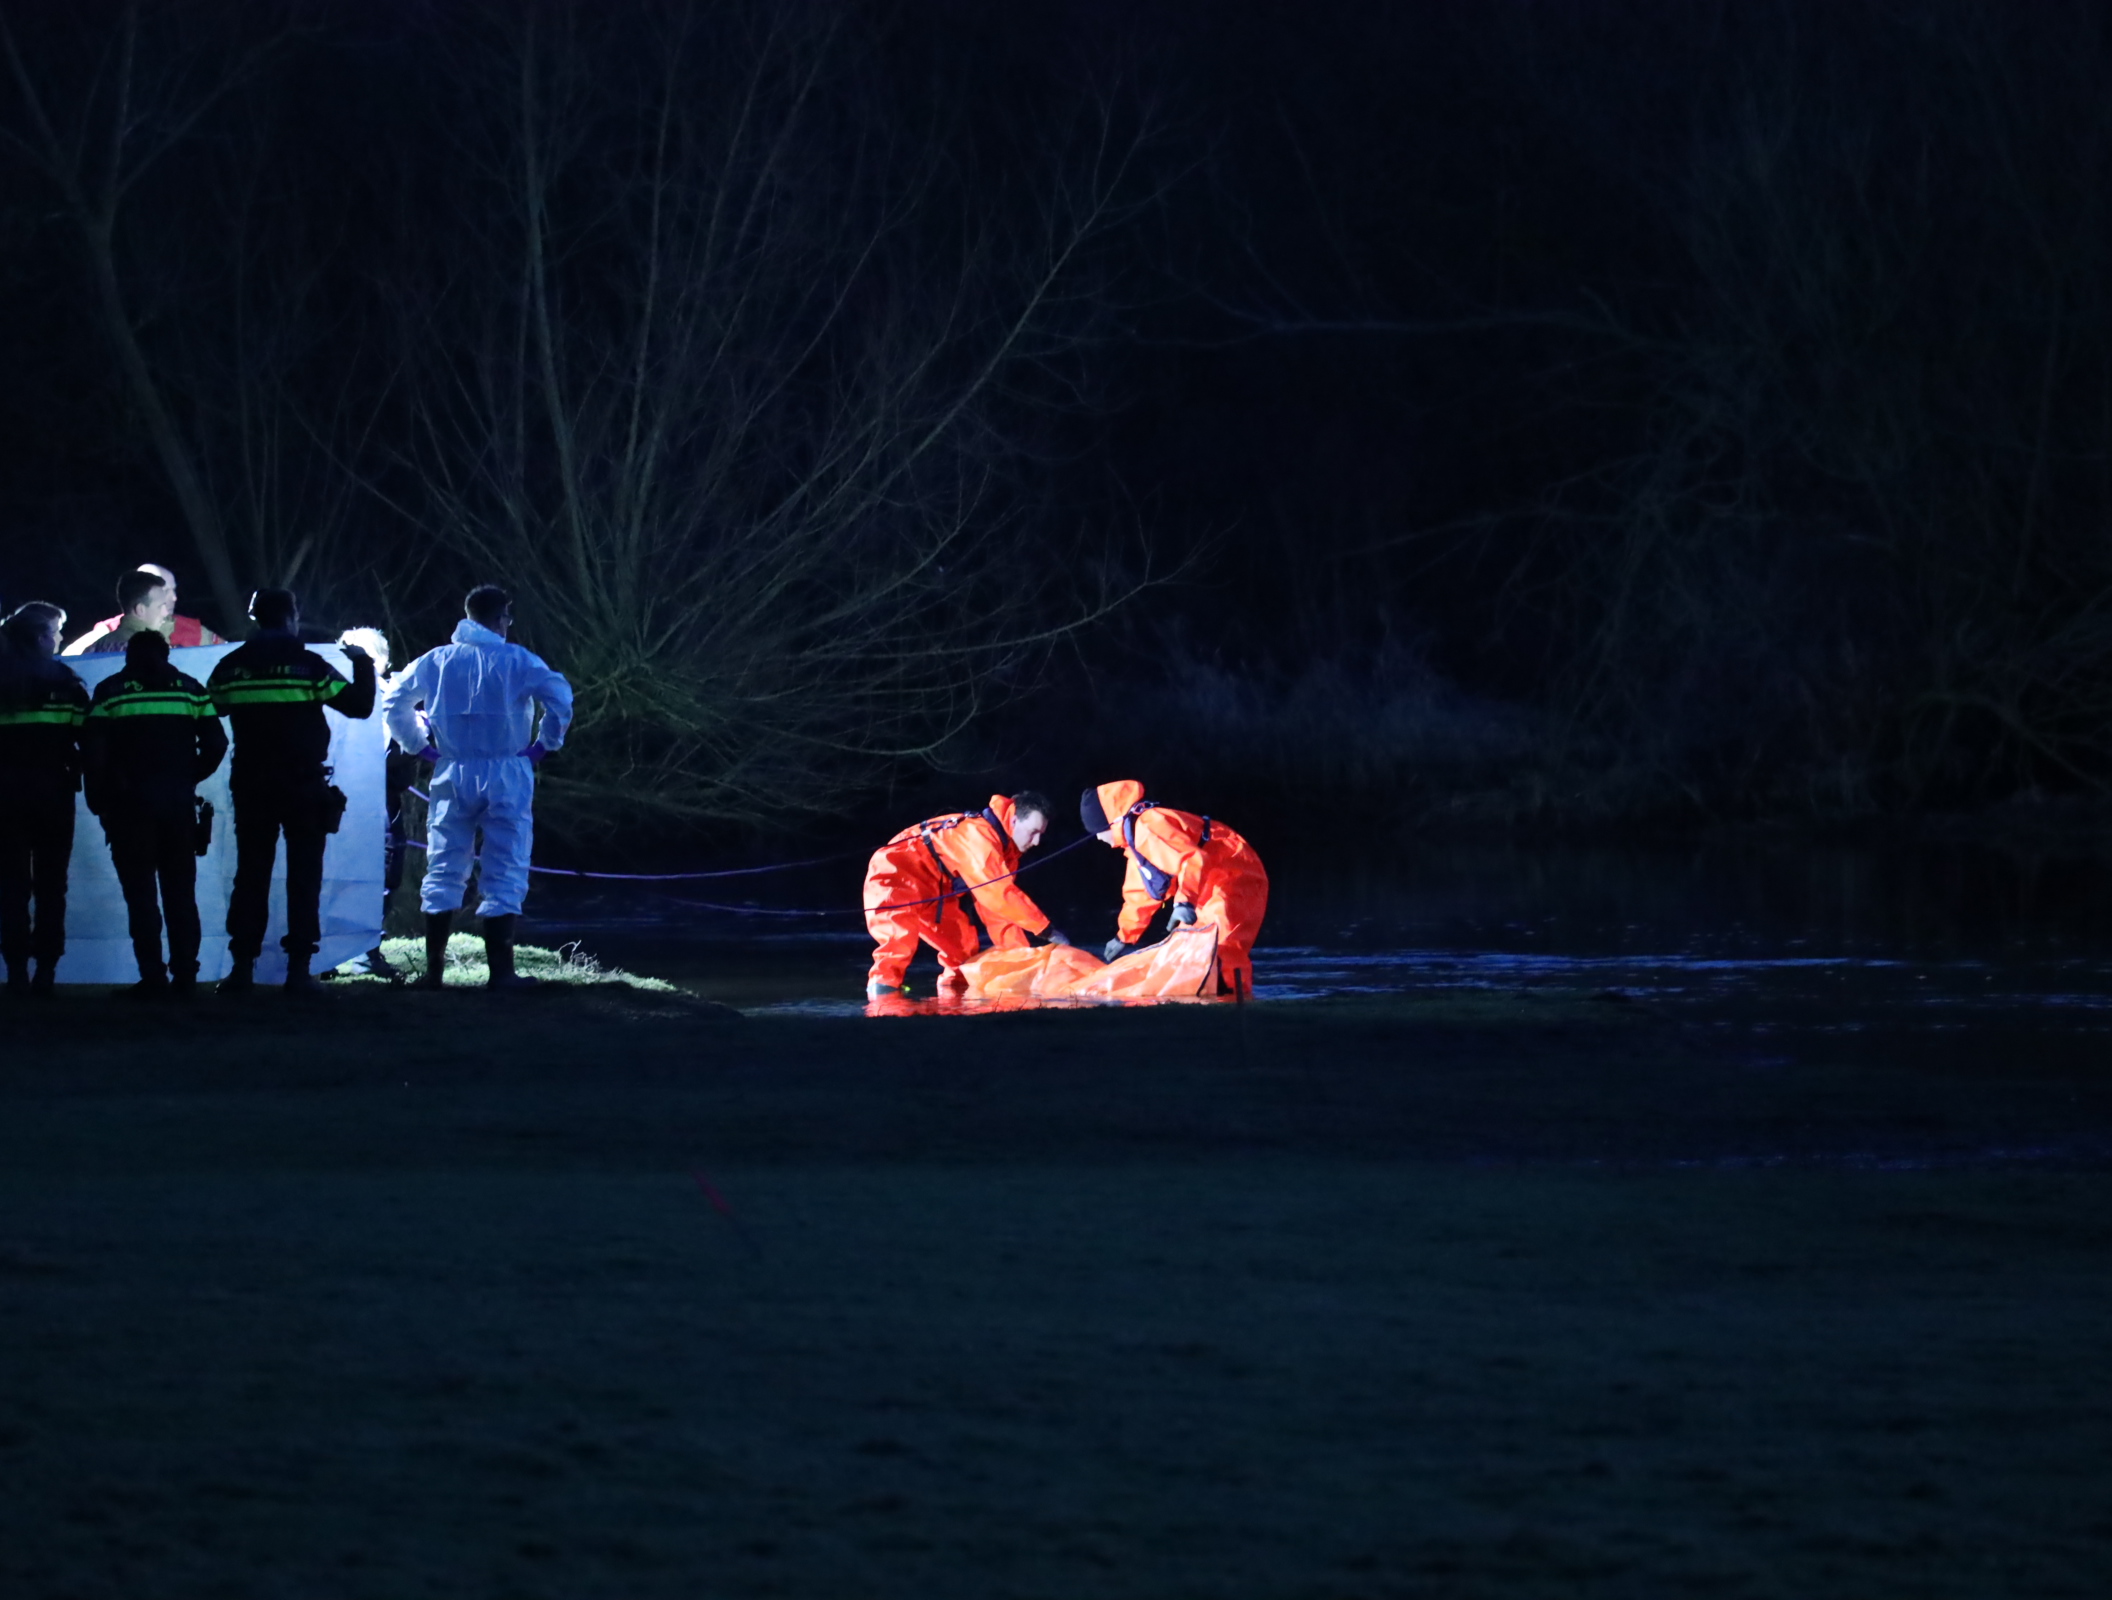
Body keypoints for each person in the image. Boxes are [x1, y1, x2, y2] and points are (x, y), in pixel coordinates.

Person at [381, 584, 573, 990]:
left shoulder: (436, 661)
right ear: (502, 617)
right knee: (506, 862)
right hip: (507, 769)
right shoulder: (517, 659)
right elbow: (559, 696)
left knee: (444, 863)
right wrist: (544, 744)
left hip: (452, 769)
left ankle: (433, 973)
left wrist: (419, 746)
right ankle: (501, 974)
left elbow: (395, 701)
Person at [207, 589, 376, 994]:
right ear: (290, 617)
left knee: (251, 873)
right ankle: (299, 971)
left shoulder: (231, 667)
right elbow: (359, 706)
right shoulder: (308, 665)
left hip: (252, 783)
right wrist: (364, 663)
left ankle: (241, 970)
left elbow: (210, 710)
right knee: (304, 876)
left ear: (255, 618)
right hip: (302, 784)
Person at [80, 629, 228, 996]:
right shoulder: (190, 689)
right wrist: (188, 777)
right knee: (181, 893)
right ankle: (186, 977)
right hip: (177, 807)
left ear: (129, 655)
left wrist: (99, 800)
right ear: (168, 654)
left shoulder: (110, 691)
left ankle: (153, 977)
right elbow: (217, 742)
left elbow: (93, 751)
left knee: (141, 896)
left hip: (128, 809)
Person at [861, 791, 1069, 998]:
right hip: (895, 873)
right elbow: (997, 894)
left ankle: (954, 1004)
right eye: (1033, 832)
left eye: (1041, 833)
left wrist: (1023, 961)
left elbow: (999, 912)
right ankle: (882, 1008)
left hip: (935, 891)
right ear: (1014, 821)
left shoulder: (1006, 852)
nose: (1037, 842)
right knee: (896, 944)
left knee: (963, 954)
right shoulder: (978, 836)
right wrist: (1046, 930)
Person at [1081, 779, 1269, 999]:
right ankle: (1214, 1002)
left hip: (1234, 873)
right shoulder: (1136, 841)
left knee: (1220, 945)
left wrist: (1183, 902)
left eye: (1097, 831)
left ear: (1111, 823)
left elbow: (1192, 858)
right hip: (1207, 883)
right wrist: (1124, 936)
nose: (1097, 838)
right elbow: (1140, 895)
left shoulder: (1150, 825)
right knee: (1195, 949)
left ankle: (1235, 1005)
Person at [0, 603, 91, 996]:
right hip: (53, 796)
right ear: (40, 638)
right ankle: (46, 973)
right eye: (54, 634)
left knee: (11, 886)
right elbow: (88, 740)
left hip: (5, 798)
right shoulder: (66, 682)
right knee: (52, 885)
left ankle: (16, 971)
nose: (59, 640)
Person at [63, 563, 225, 656]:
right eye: (166, 591)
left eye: (174, 590)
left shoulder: (194, 631)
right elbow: (70, 661)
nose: (174, 598)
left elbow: (226, 653)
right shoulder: (105, 632)